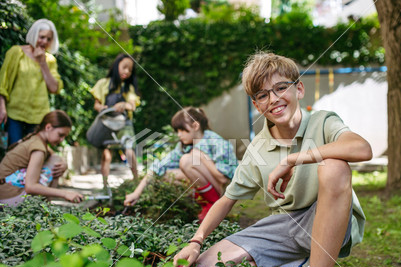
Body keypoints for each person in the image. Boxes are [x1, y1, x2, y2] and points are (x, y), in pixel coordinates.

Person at [166, 52, 373, 267]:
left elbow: (362, 149)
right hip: (283, 227)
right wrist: (195, 241)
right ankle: (296, 260)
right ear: (257, 105)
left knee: (334, 167)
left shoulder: (323, 121)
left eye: (281, 88)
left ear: (299, 89)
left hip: (329, 220)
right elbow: (226, 199)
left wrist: (294, 158)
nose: (274, 99)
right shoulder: (257, 148)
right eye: (263, 95)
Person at [124, 107, 237, 222]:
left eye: (182, 130)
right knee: (166, 175)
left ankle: (213, 205)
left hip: (223, 190)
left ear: (196, 126)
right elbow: (158, 167)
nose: (179, 135)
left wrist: (202, 157)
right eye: (177, 131)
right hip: (209, 185)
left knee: (186, 160)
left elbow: (223, 179)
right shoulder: (184, 146)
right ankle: (198, 204)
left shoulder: (216, 142)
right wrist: (136, 193)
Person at [0, 110, 83, 207]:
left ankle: (45, 207)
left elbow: (53, 154)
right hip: (8, 198)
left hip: (5, 195)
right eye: (60, 135)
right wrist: (65, 193)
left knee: (57, 160)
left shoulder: (36, 139)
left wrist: (64, 163)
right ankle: (45, 207)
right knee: (56, 162)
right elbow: (30, 187)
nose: (62, 140)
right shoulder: (38, 149)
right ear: (48, 127)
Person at [0, 19, 63, 145]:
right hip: (14, 115)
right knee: (15, 152)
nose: (44, 41)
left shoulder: (50, 60)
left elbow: (54, 88)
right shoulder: (16, 52)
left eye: (48, 39)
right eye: (42, 37)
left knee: (34, 153)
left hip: (39, 117)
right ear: (34, 35)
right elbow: (2, 83)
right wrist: (1, 108)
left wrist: (43, 63)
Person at [90, 53, 140, 189]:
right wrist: (102, 107)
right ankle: (105, 186)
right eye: (124, 67)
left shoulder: (128, 88)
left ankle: (137, 182)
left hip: (124, 123)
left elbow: (132, 105)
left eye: (130, 70)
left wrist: (124, 105)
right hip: (107, 123)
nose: (127, 72)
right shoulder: (103, 84)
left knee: (129, 149)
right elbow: (96, 104)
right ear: (116, 65)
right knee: (106, 154)